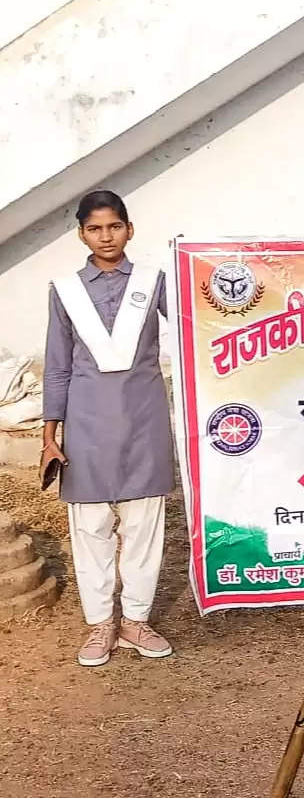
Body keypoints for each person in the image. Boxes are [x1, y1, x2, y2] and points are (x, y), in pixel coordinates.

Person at [40, 190, 174, 667]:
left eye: (114, 227)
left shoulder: (155, 282)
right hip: (87, 421)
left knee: (143, 523)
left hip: (144, 418)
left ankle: (135, 619)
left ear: (129, 229)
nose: (106, 236)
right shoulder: (65, 289)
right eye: (95, 229)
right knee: (92, 525)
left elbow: (197, 320)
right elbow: (57, 366)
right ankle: (101, 624)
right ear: (82, 234)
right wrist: (50, 434)